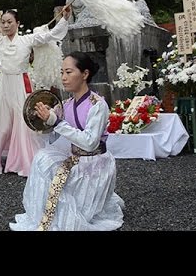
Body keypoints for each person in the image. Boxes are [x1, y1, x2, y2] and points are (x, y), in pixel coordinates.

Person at [9, 51, 124, 231]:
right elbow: (51, 135)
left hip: (95, 165)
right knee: (42, 158)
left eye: (69, 72)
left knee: (73, 216)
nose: (63, 77)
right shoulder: (67, 103)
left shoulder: (97, 105)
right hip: (76, 159)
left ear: (84, 74)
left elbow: (89, 142)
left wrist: (56, 121)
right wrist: (43, 117)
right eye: (62, 72)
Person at [0, 8, 72, 178]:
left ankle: (22, 161)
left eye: (9, 22)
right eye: (3, 22)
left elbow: (51, 35)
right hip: (4, 84)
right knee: (2, 123)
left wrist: (64, 19)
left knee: (23, 124)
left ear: (18, 24)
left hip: (21, 83)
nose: (6, 25)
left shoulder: (27, 39)